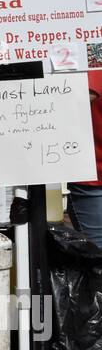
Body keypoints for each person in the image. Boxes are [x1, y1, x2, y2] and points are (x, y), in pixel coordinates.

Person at [67, 70, 102, 244]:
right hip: (92, 181)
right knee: (97, 258)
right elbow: (82, 95)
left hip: (92, 179)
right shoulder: (93, 54)